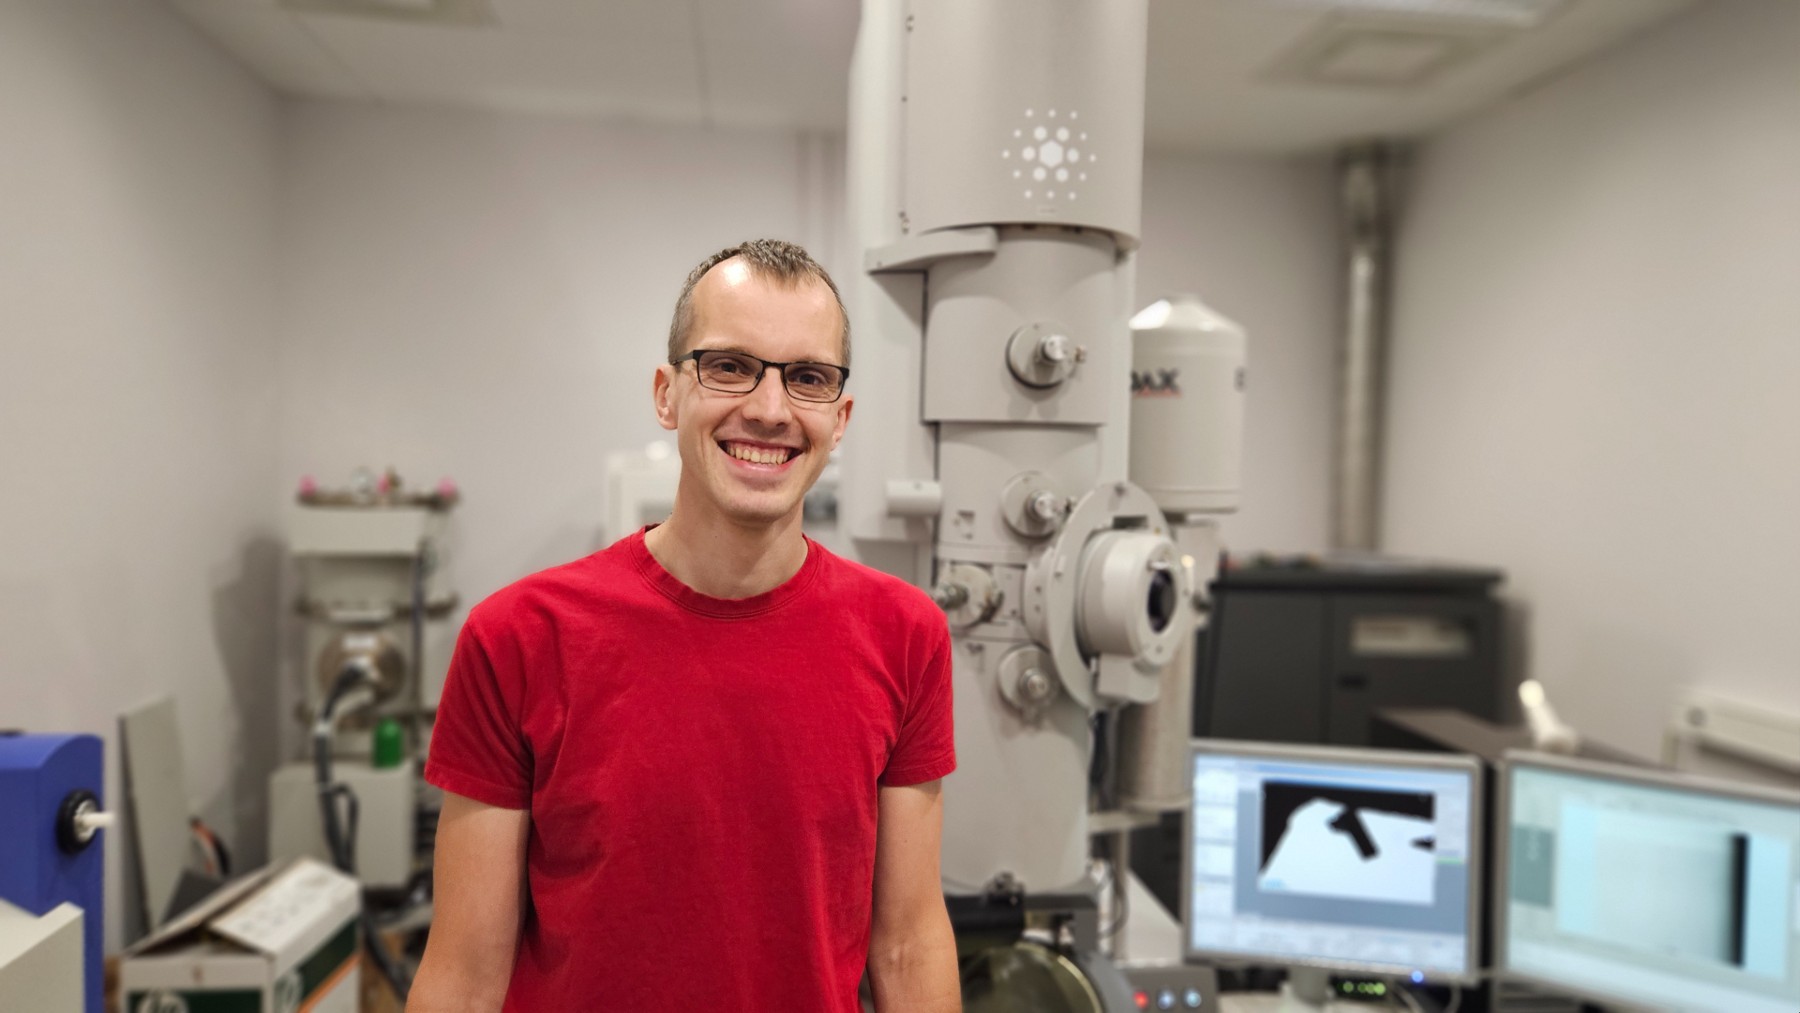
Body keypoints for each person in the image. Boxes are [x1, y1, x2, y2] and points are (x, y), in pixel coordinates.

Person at [408, 239, 961, 1012]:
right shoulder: (519, 637)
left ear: (840, 419)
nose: (769, 409)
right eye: (730, 366)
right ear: (667, 395)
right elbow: (465, 975)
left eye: (807, 378)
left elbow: (907, 943)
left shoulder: (905, 636)